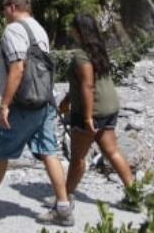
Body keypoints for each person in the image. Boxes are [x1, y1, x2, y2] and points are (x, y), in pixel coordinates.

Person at [0, 0, 74, 226]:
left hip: (21, 104)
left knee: (1, 154)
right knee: (49, 152)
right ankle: (64, 207)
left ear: (12, 7)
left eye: (4, 7)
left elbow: (17, 68)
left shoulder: (13, 30)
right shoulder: (39, 29)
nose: (3, 12)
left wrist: (4, 104)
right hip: (44, 101)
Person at [58, 13, 135, 199]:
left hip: (93, 110)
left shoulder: (80, 55)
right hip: (110, 106)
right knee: (112, 151)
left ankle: (64, 198)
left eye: (72, 28)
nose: (70, 31)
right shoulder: (99, 50)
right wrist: (67, 101)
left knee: (78, 157)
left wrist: (86, 117)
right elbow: (86, 82)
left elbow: (87, 85)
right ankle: (135, 195)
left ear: (78, 31)